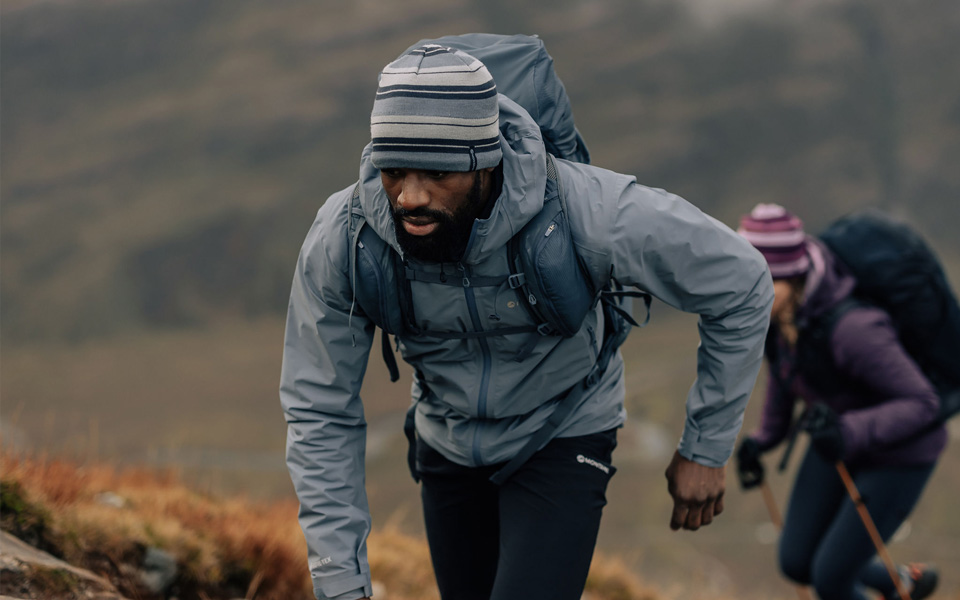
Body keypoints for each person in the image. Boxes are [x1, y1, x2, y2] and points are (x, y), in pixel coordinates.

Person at [280, 41, 774, 600]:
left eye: (438, 172)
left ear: (485, 159)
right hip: (445, 438)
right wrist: (340, 584)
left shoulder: (593, 211)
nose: (410, 197)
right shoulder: (346, 237)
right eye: (393, 170)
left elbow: (743, 281)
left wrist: (705, 449)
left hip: (563, 429)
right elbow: (319, 407)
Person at [734, 204, 946, 600]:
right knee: (797, 563)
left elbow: (923, 403)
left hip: (900, 454)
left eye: (763, 281)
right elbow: (785, 384)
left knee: (831, 579)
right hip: (838, 442)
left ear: (794, 277)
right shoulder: (778, 321)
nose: (751, 292)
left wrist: (847, 432)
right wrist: (761, 441)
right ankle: (904, 582)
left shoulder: (853, 329)